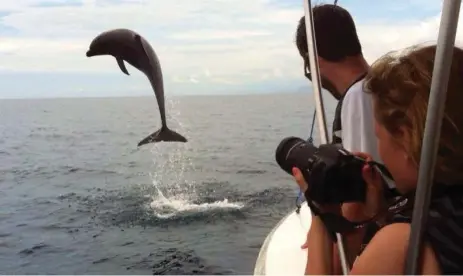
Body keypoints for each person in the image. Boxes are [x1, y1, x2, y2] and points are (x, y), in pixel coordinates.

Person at [293, 44, 463, 274]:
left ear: (405, 137)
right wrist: (379, 216)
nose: (379, 151)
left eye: (379, 136)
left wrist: (321, 216)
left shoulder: (405, 243)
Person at [295, 4, 388, 269]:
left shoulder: (359, 96)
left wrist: (323, 226)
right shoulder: (381, 86)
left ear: (312, 59)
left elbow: (356, 208)